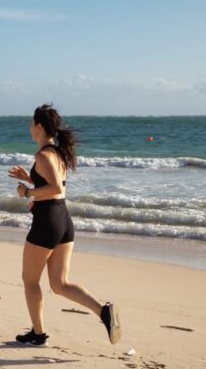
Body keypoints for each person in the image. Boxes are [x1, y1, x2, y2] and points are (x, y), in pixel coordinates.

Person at [7, 104, 121, 346]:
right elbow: (54, 187)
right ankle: (104, 312)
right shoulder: (56, 153)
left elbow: (55, 189)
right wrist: (29, 179)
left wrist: (27, 193)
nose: (29, 128)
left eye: (31, 124)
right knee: (59, 284)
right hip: (63, 221)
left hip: (47, 223)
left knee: (30, 280)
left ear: (39, 126)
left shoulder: (42, 155)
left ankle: (38, 334)